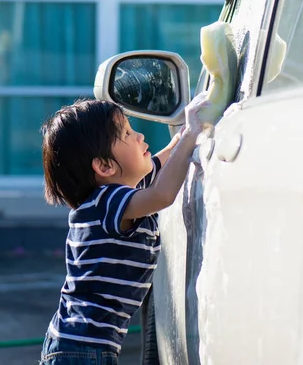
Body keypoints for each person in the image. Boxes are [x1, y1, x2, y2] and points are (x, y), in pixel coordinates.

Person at [39, 93, 209, 364]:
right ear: (104, 166)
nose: (139, 136)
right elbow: (162, 195)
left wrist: (183, 139)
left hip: (78, 342)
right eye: (127, 133)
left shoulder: (109, 198)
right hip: (84, 347)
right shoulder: (107, 201)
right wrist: (190, 135)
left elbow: (159, 164)